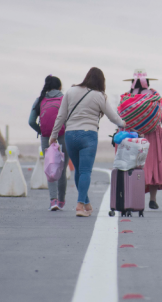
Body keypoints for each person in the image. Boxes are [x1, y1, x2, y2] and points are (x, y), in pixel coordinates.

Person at [50, 67, 125, 217]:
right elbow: (113, 117)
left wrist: (54, 135)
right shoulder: (99, 96)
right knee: (85, 171)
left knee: (79, 170)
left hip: (70, 135)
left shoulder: (70, 91)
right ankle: (79, 206)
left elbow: (61, 116)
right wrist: (125, 125)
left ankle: (86, 203)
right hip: (88, 136)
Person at [122, 69, 162, 210]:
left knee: (134, 166)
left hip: (133, 135)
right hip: (153, 135)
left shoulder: (127, 96)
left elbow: (121, 118)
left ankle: (135, 199)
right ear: (148, 82)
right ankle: (152, 199)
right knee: (153, 167)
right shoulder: (155, 95)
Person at [28, 75, 69, 211]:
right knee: (62, 169)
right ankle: (62, 200)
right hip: (62, 135)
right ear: (59, 87)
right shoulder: (64, 99)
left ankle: (53, 201)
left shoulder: (40, 100)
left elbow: (30, 121)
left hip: (46, 137)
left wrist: (40, 131)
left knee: (51, 168)